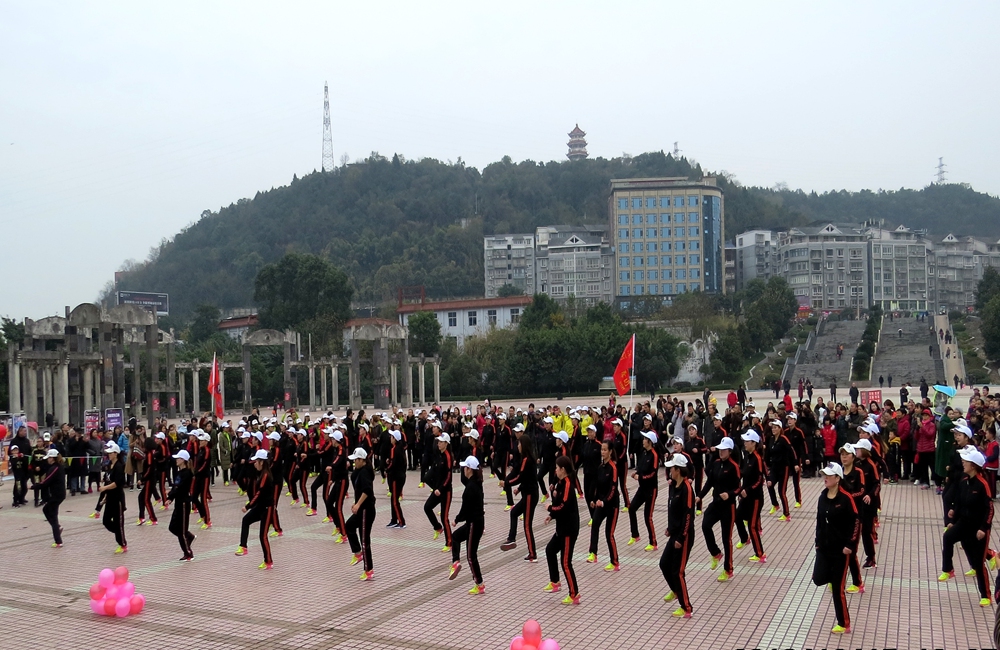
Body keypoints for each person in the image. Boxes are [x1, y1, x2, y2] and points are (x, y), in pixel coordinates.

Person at [939, 446, 994, 607]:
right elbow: (959, 502)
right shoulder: (964, 481)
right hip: (964, 523)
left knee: (978, 563)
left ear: (973, 465)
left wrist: (983, 528)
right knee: (948, 537)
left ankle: (986, 595)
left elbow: (990, 509)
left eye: (966, 461)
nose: (963, 462)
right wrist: (953, 517)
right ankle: (948, 570)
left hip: (978, 528)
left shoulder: (982, 484)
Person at [816, 462, 860, 634]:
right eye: (824, 475)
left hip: (841, 551)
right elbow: (819, 522)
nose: (825, 478)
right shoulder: (822, 496)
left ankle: (844, 623)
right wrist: (818, 542)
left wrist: (850, 545)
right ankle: (833, 577)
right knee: (818, 578)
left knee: (837, 589)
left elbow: (856, 522)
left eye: (829, 475)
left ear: (837, 478)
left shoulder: (846, 498)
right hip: (824, 548)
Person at [699, 436, 741, 581]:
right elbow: (709, 482)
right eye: (719, 449)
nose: (720, 452)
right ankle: (716, 553)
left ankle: (728, 570)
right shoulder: (716, 463)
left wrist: (729, 494)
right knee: (705, 525)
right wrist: (700, 496)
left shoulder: (734, 467)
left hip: (728, 507)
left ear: (730, 451)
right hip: (716, 503)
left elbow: (738, 488)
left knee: (726, 538)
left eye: (724, 450)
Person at [542, 456, 581, 605]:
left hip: (569, 529)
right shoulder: (560, 483)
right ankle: (555, 582)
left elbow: (563, 506)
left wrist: (550, 508)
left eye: (557, 468)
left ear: (563, 470)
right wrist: (551, 515)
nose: (555, 470)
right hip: (561, 526)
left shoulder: (568, 484)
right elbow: (558, 504)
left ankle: (574, 594)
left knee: (566, 562)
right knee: (550, 550)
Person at [661, 453, 695, 618]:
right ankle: (676, 590)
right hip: (674, 533)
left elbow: (688, 516)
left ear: (678, 470)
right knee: (664, 564)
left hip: (684, 536)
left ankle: (686, 607)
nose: (669, 471)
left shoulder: (687, 489)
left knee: (678, 571)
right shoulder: (673, 486)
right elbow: (673, 512)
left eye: (671, 469)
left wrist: (681, 537)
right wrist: (670, 528)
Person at [448, 455, 486, 595]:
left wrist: (457, 520)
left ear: (469, 469)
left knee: (471, 556)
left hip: (474, 524)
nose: (463, 469)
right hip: (474, 522)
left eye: (465, 467)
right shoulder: (475, 482)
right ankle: (455, 562)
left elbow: (465, 508)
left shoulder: (471, 487)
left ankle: (479, 584)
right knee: (455, 537)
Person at [235, 449, 275, 570]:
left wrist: (248, 506)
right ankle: (243, 546)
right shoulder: (261, 474)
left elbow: (259, 493)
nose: (255, 464)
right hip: (260, 507)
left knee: (263, 536)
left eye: (256, 461)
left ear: (262, 462)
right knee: (246, 520)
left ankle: (268, 561)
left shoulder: (265, 475)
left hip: (267, 508)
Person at [500, 434, 539, 562]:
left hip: (530, 496)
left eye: (519, 444)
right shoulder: (527, 459)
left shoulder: (527, 460)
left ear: (524, 445)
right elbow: (528, 478)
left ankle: (532, 554)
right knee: (514, 512)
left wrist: (507, 483)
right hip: (527, 493)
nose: (518, 446)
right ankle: (511, 538)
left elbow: (520, 477)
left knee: (527, 525)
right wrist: (519, 489)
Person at [586, 440, 620, 571]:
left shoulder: (613, 468)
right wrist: (594, 500)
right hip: (601, 503)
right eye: (602, 449)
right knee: (595, 524)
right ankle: (593, 553)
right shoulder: (600, 467)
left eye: (605, 450)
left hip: (612, 505)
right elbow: (597, 486)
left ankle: (615, 562)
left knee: (609, 534)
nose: (602, 452)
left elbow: (613, 488)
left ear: (610, 452)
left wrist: (604, 501)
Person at [345, 447, 376, 581]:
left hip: (366, 510)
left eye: (356, 460)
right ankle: (358, 553)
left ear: (362, 460)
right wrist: (355, 502)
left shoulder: (365, 472)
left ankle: (368, 570)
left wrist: (358, 504)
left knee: (364, 539)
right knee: (349, 526)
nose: (354, 463)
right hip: (361, 508)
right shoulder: (359, 471)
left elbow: (367, 490)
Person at [735, 431, 766, 563]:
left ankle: (760, 554)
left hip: (755, 498)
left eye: (747, 441)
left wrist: (748, 490)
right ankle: (744, 538)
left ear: (754, 443)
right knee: (737, 516)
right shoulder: (747, 456)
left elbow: (760, 479)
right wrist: (741, 491)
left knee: (752, 526)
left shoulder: (757, 458)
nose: (745, 443)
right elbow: (744, 475)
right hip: (746, 497)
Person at [628, 430, 660, 552]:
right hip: (642, 488)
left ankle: (653, 542)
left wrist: (640, 477)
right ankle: (635, 535)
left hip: (651, 489)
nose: (643, 441)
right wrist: (636, 473)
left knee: (648, 517)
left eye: (645, 439)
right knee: (632, 508)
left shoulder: (654, 455)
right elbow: (641, 468)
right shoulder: (643, 453)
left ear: (650, 442)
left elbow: (653, 473)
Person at [424, 432, 454, 550]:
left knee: (444, 517)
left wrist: (440, 489)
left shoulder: (448, 456)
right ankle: (437, 527)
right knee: (427, 507)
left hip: (446, 491)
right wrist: (434, 487)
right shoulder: (438, 454)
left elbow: (448, 476)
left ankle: (449, 543)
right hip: (437, 490)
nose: (439, 444)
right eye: (438, 442)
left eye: (441, 442)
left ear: (446, 443)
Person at [97, 441, 128, 554]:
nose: (109, 455)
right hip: (110, 497)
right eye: (108, 453)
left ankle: (122, 544)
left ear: (116, 453)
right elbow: (108, 478)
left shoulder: (119, 466)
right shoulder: (110, 465)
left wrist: (105, 488)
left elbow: (117, 483)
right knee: (106, 521)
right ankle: (119, 532)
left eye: (111, 453)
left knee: (118, 521)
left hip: (117, 498)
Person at [165, 449, 195, 561]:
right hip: (178, 503)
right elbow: (175, 487)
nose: (176, 460)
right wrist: (170, 498)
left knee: (181, 531)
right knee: (172, 527)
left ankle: (188, 553)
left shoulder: (187, 473)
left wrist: (171, 494)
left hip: (183, 503)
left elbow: (180, 488)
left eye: (178, 458)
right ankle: (189, 536)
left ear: (183, 460)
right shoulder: (179, 473)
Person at [35, 449, 65, 547]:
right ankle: (57, 528)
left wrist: (34, 486)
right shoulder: (56, 467)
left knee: (52, 514)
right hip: (57, 494)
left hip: (57, 495)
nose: (47, 460)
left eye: (48, 458)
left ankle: (58, 541)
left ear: (52, 458)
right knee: (47, 510)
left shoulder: (55, 468)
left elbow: (46, 481)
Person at [385, 430, 407, 529]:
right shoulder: (400, 448)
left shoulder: (394, 449)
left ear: (395, 439)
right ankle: (394, 520)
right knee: (393, 499)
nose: (390, 438)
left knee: (395, 501)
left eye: (392, 437)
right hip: (400, 476)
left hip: (396, 477)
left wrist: (387, 469)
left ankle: (401, 521)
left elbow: (393, 464)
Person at [137, 437, 159, 526]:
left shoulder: (149, 454)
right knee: (141, 497)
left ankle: (153, 519)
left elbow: (149, 468)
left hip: (150, 479)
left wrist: (142, 479)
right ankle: (141, 517)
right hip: (149, 479)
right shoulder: (149, 453)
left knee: (146, 499)